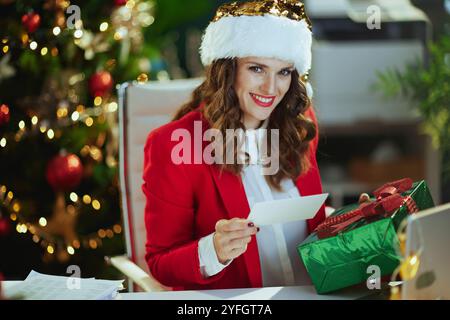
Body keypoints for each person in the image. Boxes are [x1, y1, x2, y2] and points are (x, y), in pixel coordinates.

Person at [142, 0, 369, 291]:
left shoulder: (298, 125)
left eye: (284, 72)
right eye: (257, 69)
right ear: (227, 69)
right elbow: (160, 262)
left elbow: (303, 219)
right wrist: (214, 250)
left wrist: (350, 222)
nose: (271, 89)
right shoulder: (175, 145)